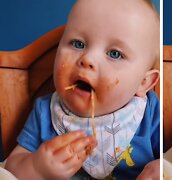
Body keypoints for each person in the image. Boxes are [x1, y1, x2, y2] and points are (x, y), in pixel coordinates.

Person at [5, 0, 160, 179]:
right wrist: (37, 167)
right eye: (78, 44)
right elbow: (12, 167)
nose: (88, 59)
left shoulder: (147, 113)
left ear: (143, 83)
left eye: (114, 54)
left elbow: (170, 159)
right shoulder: (46, 112)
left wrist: (160, 169)